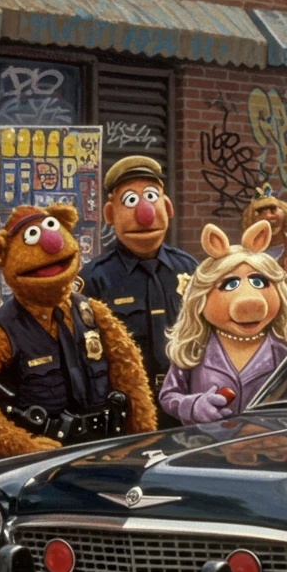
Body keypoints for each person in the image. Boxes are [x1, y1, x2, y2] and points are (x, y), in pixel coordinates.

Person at [0, 204, 157, 457]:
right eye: (33, 237)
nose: (52, 244)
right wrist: (20, 444)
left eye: (53, 230)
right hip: (40, 461)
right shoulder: (2, 330)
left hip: (104, 449)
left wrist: (142, 439)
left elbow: (131, 375)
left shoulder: (91, 313)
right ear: (2, 255)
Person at [160, 222, 287, 424]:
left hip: (272, 440)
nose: (250, 299)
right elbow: (169, 395)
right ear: (201, 297)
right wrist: (194, 405)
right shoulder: (195, 349)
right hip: (208, 440)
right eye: (230, 284)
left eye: (258, 282)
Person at [81, 156, 197, 429]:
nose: (145, 213)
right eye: (131, 201)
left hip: (185, 399)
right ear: (110, 214)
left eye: (151, 197)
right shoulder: (95, 278)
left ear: (167, 207)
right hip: (127, 406)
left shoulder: (189, 268)